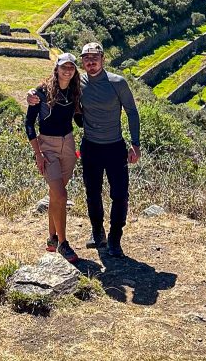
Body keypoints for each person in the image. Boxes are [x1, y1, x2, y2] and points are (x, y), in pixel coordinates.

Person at [29, 42, 140, 258]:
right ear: (82, 62)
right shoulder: (77, 84)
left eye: (94, 57)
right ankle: (97, 232)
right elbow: (51, 86)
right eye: (86, 58)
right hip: (90, 146)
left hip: (115, 145)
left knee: (119, 194)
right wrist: (31, 94)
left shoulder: (118, 83)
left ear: (103, 58)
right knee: (92, 193)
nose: (90, 61)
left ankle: (115, 237)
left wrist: (135, 144)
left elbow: (132, 112)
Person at [25, 52, 83, 263]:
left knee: (56, 196)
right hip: (47, 146)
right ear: (56, 68)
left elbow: (80, 121)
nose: (67, 70)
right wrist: (38, 154)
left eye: (71, 67)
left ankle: (51, 238)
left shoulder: (76, 91)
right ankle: (63, 243)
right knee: (61, 194)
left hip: (68, 145)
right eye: (64, 67)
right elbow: (29, 124)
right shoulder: (40, 92)